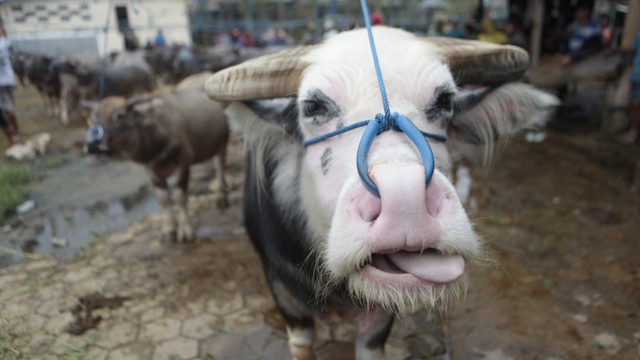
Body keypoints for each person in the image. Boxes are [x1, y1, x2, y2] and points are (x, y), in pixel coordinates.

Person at [618, 29, 640, 144]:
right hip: (636, 74)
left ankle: (634, 132)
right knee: (632, 103)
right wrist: (615, 49)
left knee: (636, 104)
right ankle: (633, 131)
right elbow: (633, 48)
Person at [0, 21, 19, 144]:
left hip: (4, 81)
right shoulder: (3, 43)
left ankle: (13, 134)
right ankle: (15, 132)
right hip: (7, 80)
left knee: (4, 109)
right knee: (9, 108)